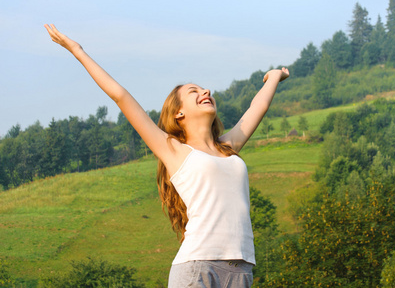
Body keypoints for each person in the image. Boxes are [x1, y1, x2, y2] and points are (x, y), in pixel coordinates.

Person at [44, 24, 289, 287]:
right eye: (194, 92)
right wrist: (77, 50)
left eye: (205, 90)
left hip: (241, 271)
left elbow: (258, 107)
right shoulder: (174, 151)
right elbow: (121, 96)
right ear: (178, 114)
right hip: (198, 268)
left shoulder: (228, 148)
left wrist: (273, 77)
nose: (205, 92)